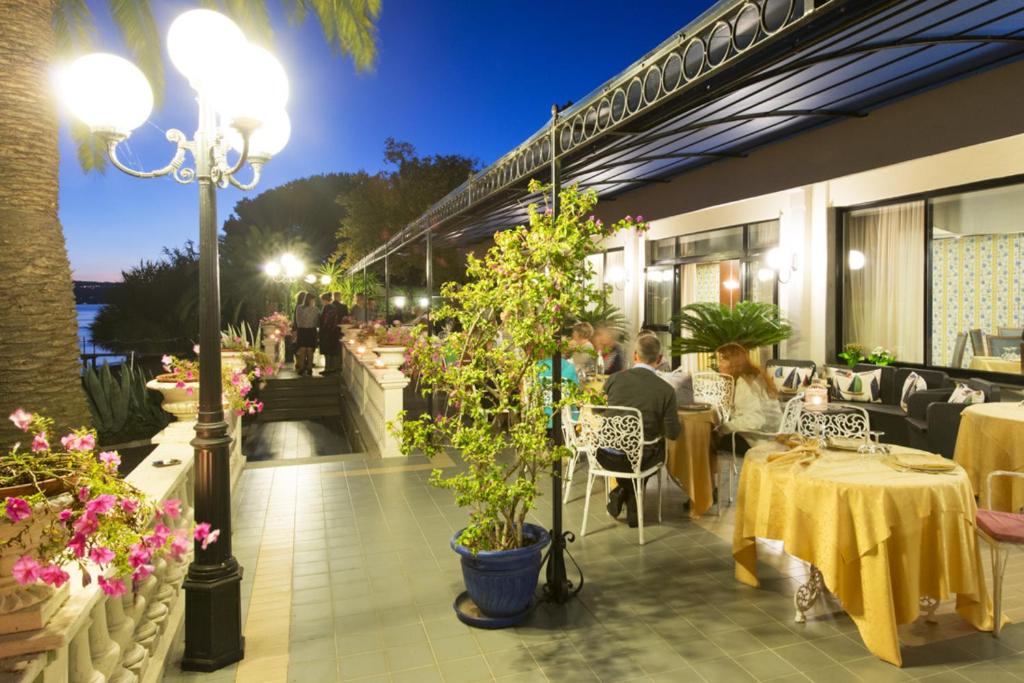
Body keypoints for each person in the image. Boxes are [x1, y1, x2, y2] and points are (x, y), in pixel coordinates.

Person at [600, 334, 680, 527]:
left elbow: (601, 410)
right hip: (641, 458)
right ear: (659, 360)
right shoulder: (666, 390)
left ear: (635, 355)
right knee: (646, 449)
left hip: (606, 454)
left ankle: (622, 492)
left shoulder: (614, 379)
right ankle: (631, 498)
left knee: (631, 451)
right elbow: (673, 434)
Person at [715, 342, 782, 453]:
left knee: (707, 439)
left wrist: (724, 428)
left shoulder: (744, 383)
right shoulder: (755, 375)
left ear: (734, 363)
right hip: (774, 434)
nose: (719, 364)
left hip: (760, 440)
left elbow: (755, 420)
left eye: (723, 360)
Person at [293, 291, 319, 376]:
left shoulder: (299, 308)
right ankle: (309, 368)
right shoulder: (315, 309)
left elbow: (297, 320)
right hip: (311, 330)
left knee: (302, 349)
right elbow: (316, 321)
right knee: (310, 350)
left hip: (302, 330)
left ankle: (302, 368)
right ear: (311, 300)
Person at [318, 292, 341, 375]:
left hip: (327, 333)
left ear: (324, 299)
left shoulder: (327, 307)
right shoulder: (333, 307)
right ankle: (333, 367)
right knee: (332, 350)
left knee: (327, 351)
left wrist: (321, 331)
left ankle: (328, 368)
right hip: (333, 332)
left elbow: (325, 321)